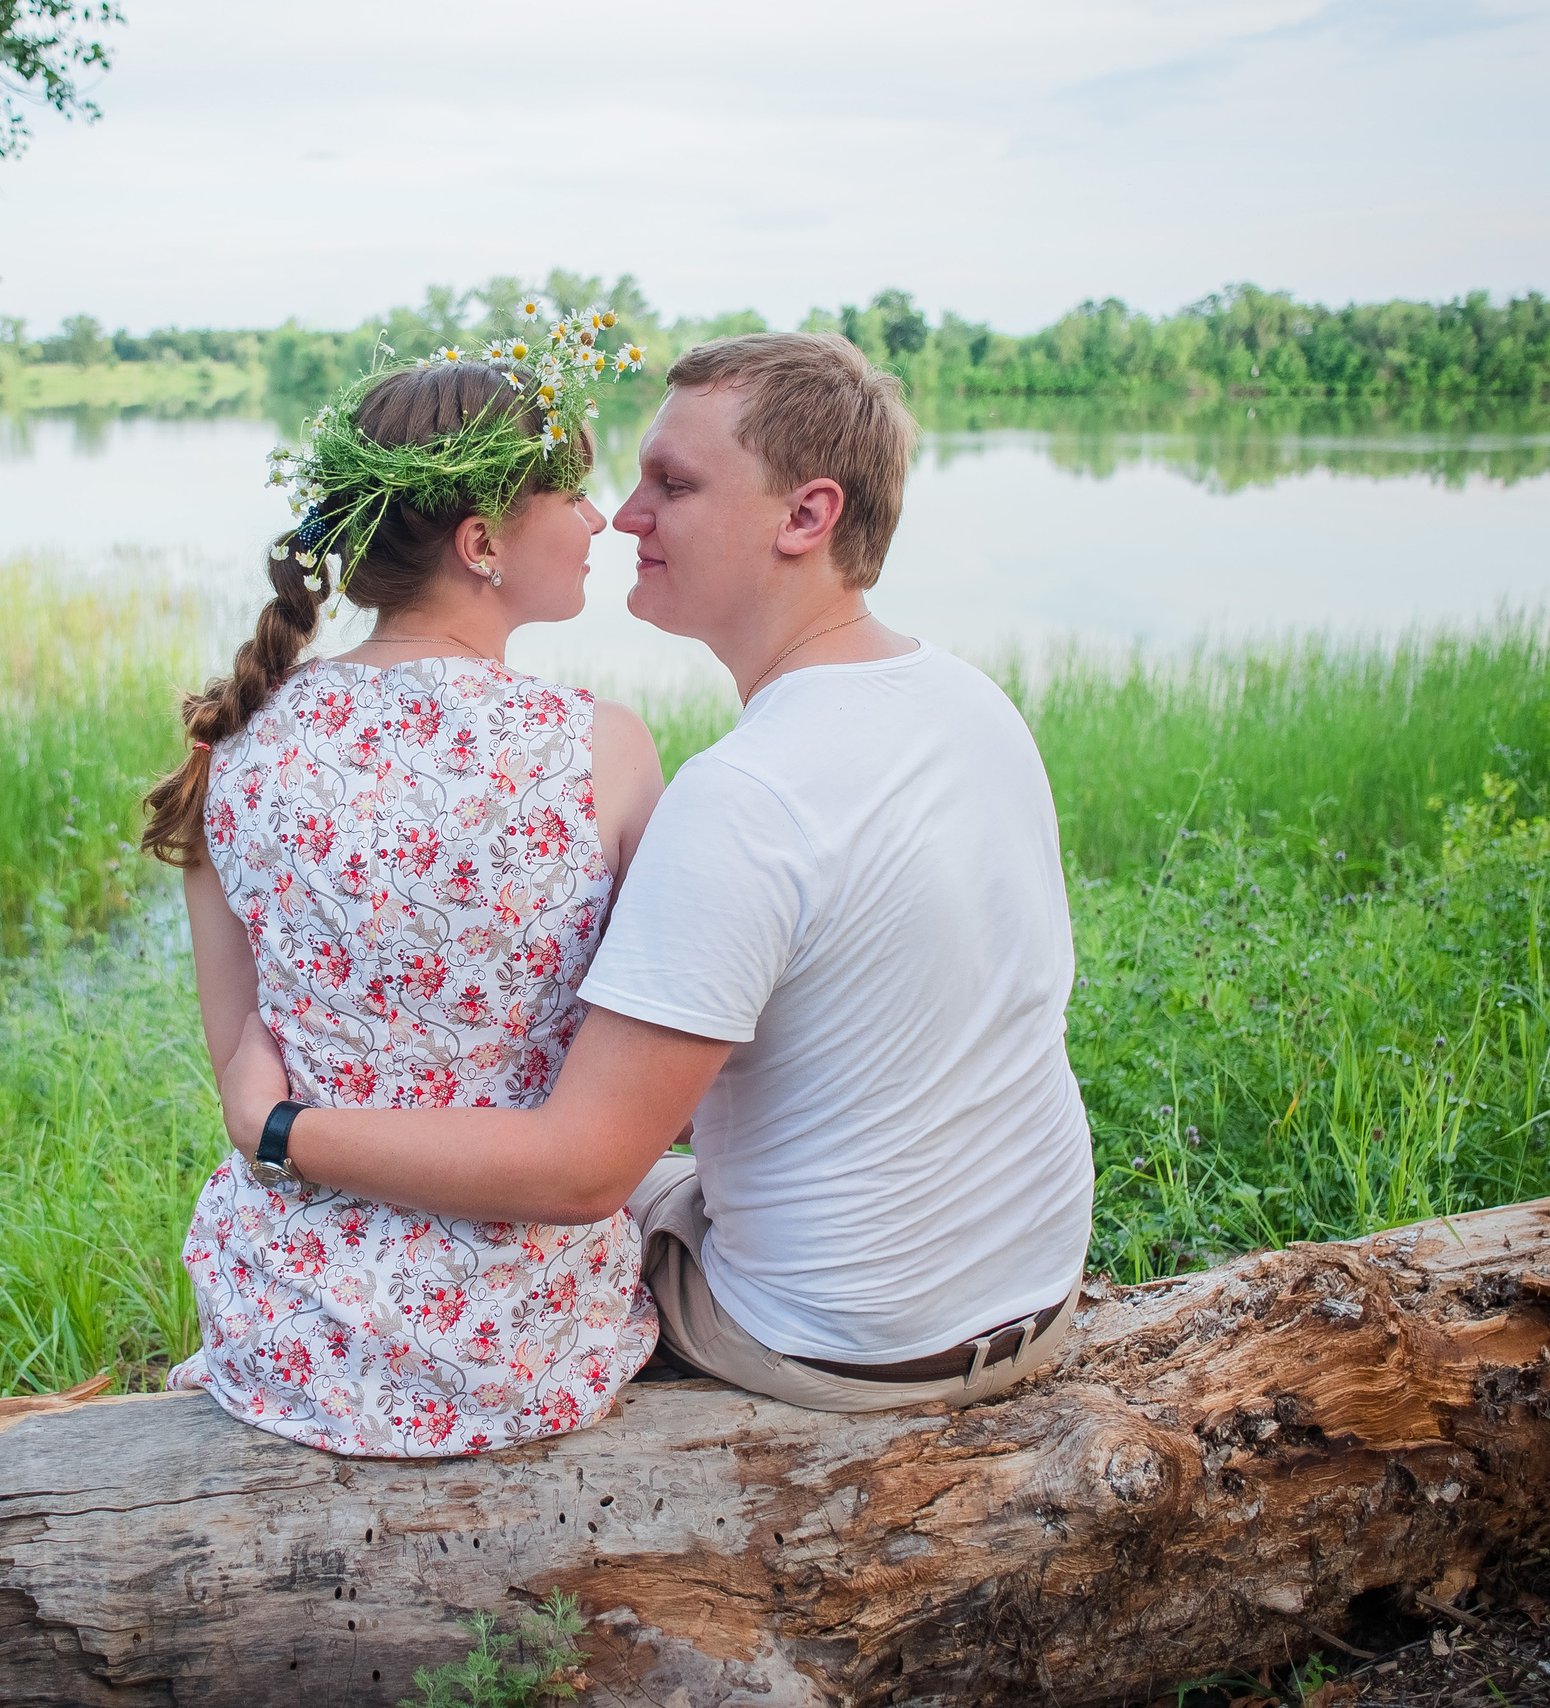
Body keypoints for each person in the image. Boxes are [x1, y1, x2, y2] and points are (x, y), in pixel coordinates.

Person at [218, 332, 1095, 1414]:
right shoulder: (972, 701)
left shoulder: (744, 797)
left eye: (671, 485)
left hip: (835, 1339)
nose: (624, 516)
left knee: (579, 1188)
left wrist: (278, 1129)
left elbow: (583, 1167)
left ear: (805, 516)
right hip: (1029, 1294)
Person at [140, 334, 667, 1456]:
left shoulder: (234, 743)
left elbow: (241, 1053)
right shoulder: (601, 752)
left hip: (289, 1330)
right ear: (481, 544)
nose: (599, 517)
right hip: (525, 1341)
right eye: (571, 491)